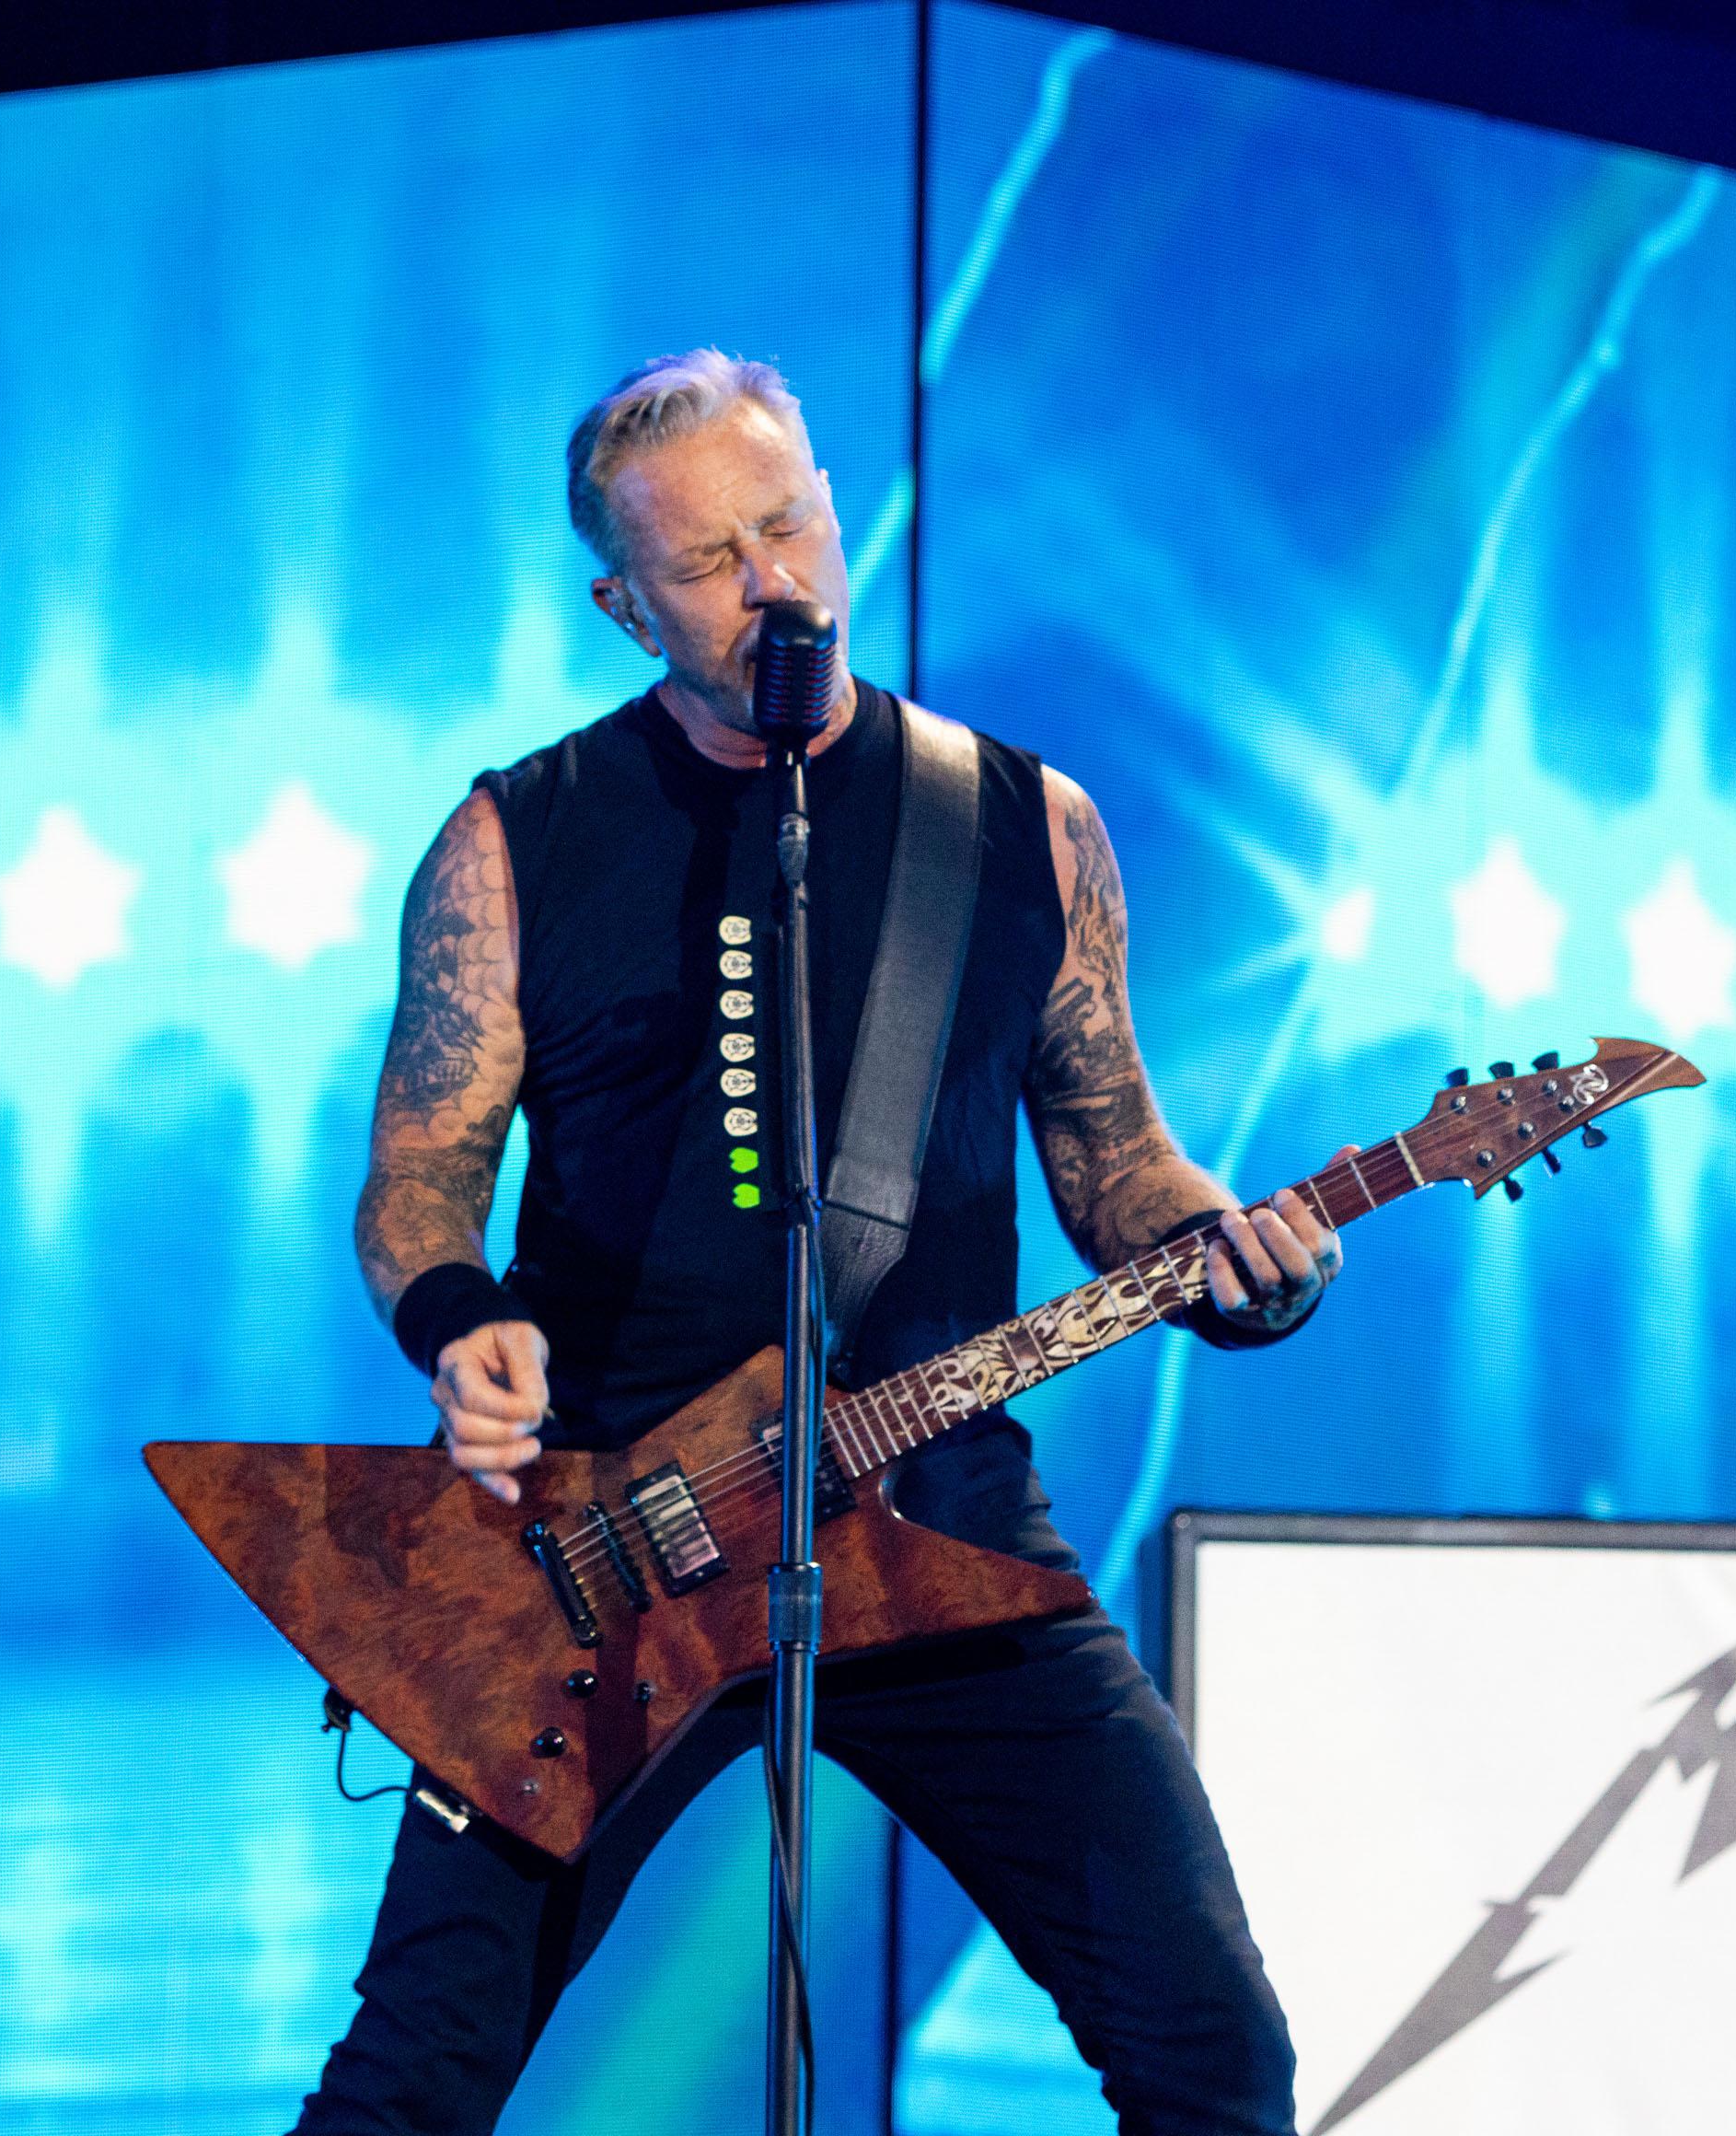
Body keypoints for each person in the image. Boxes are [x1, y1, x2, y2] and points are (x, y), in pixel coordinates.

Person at [317, 348, 1340, 2136]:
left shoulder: (1023, 824)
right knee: (412, 2083)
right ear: (626, 608)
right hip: (604, 1554)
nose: (772, 582)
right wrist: (462, 1320)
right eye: (709, 560)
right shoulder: (514, 840)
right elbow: (416, 1172)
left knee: (1213, 2049)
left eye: (788, 523)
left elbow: (1119, 1165)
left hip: (940, 1521)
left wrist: (1242, 1257)